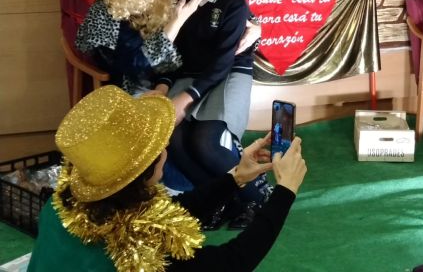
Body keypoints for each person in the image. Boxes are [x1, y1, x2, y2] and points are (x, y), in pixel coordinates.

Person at [28, 85, 306, 272]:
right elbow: (233, 261)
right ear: (144, 172)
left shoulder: (59, 209)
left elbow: (167, 214)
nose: (165, 148)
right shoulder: (141, 255)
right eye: (158, 146)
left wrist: (235, 177)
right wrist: (285, 191)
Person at [152, 0, 261, 226]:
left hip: (229, 71)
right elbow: (168, 50)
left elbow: (222, 63)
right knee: (174, 138)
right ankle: (220, 201)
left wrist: (185, 99)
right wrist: (164, 86)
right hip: (189, 73)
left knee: (206, 141)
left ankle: (257, 197)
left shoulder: (233, 3)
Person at [75, 0, 201, 94]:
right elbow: (136, 67)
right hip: (127, 87)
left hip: (166, 80)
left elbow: (169, 61)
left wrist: (163, 84)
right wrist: (175, 24)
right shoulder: (106, 16)